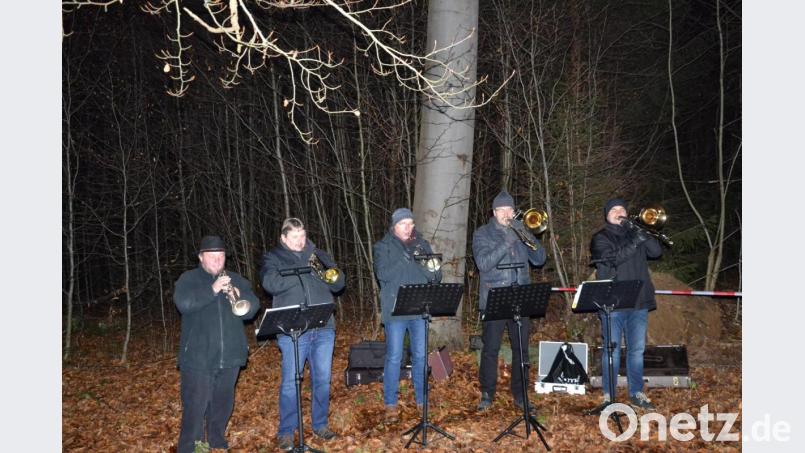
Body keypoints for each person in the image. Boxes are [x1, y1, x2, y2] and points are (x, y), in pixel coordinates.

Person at [260, 218, 345, 450]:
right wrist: (300, 272)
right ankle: (287, 432)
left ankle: (320, 425)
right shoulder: (274, 258)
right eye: (295, 237)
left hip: (324, 326)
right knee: (290, 382)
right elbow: (270, 283)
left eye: (303, 235)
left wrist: (329, 274)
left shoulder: (317, 255)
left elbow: (338, 283)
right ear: (284, 238)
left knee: (322, 380)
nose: (300, 241)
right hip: (292, 329)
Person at [174, 235, 260, 453]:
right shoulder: (188, 279)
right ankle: (190, 448)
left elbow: (252, 307)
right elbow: (184, 304)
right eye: (212, 256)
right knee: (195, 406)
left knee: (222, 405)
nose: (217, 261)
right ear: (201, 257)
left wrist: (242, 297)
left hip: (230, 354)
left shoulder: (236, 279)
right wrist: (212, 290)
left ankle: (217, 443)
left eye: (220, 256)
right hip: (198, 357)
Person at [472, 190, 546, 411]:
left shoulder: (520, 229)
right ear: (494, 212)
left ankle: (521, 394)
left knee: (521, 349)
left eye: (510, 209)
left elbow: (540, 259)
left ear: (514, 211)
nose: (507, 213)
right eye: (502, 210)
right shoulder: (482, 234)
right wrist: (507, 240)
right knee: (491, 349)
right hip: (494, 296)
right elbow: (483, 263)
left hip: (520, 297)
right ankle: (487, 393)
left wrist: (527, 235)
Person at [590, 198, 662, 410]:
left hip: (638, 302)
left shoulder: (636, 233)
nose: (618, 212)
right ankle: (608, 395)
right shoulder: (601, 238)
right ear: (607, 215)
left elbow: (656, 252)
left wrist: (643, 233)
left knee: (636, 350)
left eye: (621, 208)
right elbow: (612, 260)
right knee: (610, 351)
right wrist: (635, 240)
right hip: (612, 304)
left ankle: (636, 392)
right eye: (613, 209)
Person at [373, 208, 442, 423]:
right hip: (395, 311)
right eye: (404, 224)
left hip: (419, 309)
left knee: (420, 355)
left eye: (411, 224)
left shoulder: (422, 245)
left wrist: (425, 263)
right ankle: (390, 404)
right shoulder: (382, 247)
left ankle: (422, 400)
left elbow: (435, 275)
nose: (408, 228)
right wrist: (405, 258)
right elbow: (383, 275)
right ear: (394, 226)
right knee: (394, 357)